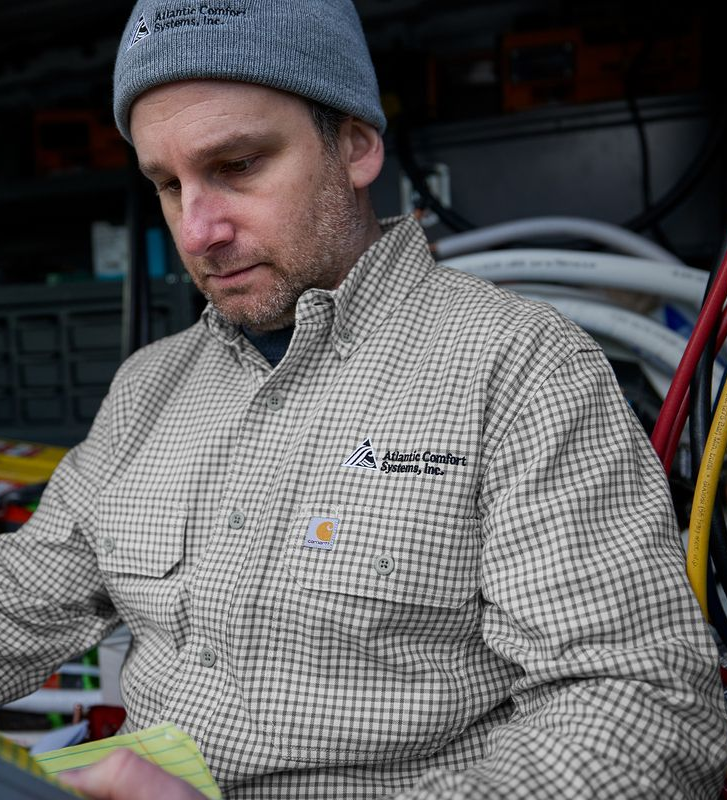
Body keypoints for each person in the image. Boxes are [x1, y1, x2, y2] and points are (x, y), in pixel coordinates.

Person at [2, 1, 726, 798]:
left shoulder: (518, 367)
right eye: (168, 184)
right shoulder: (149, 385)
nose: (198, 230)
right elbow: (26, 600)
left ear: (355, 144)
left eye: (237, 165)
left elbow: (645, 710)